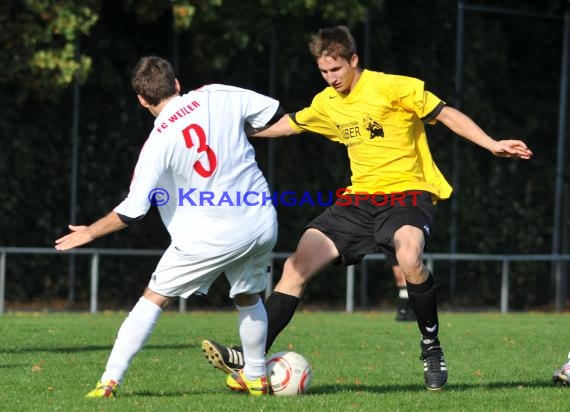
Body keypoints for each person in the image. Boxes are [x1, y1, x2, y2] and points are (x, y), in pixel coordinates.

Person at [201, 25, 533, 391]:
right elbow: (287, 126)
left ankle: (431, 347)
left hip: (408, 194)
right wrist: (229, 131)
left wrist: (491, 144)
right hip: (358, 201)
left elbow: (447, 113)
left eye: (336, 70)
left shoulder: (393, 87)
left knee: (409, 259)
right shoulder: (326, 103)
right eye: (324, 72)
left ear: (354, 60)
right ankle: (253, 360)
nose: (331, 79)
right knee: (294, 267)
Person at [55, 56, 283, 397]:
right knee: (248, 295)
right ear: (177, 84)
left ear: (142, 101)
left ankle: (108, 382)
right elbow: (272, 116)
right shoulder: (216, 94)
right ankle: (255, 376)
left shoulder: (158, 141)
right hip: (260, 221)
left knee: (153, 300)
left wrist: (89, 232)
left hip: (209, 235)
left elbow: (133, 211)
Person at [383, 250, 416, 322]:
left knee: (406, 277)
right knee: (399, 279)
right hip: (390, 245)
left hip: (405, 244)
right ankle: (403, 311)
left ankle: (409, 310)